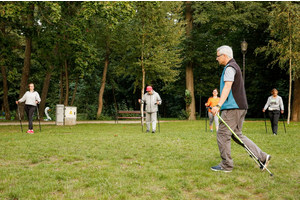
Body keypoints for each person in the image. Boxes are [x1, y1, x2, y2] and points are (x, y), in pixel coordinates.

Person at [210, 45, 271, 172]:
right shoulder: (234, 66)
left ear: (225, 56)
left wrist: (218, 105)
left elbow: (227, 87)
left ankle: (226, 165)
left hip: (233, 107)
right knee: (237, 135)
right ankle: (263, 157)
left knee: (222, 133)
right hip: (240, 106)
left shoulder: (230, 67)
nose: (216, 59)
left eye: (218, 56)